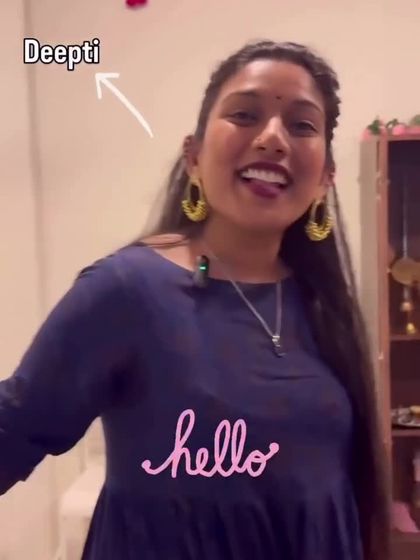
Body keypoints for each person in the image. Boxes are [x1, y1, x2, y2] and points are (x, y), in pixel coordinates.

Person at [0, 40, 390, 560]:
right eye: (245, 115)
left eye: (301, 125)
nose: (273, 138)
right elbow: (15, 426)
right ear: (194, 157)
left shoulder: (324, 303)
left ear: (324, 179)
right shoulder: (126, 290)